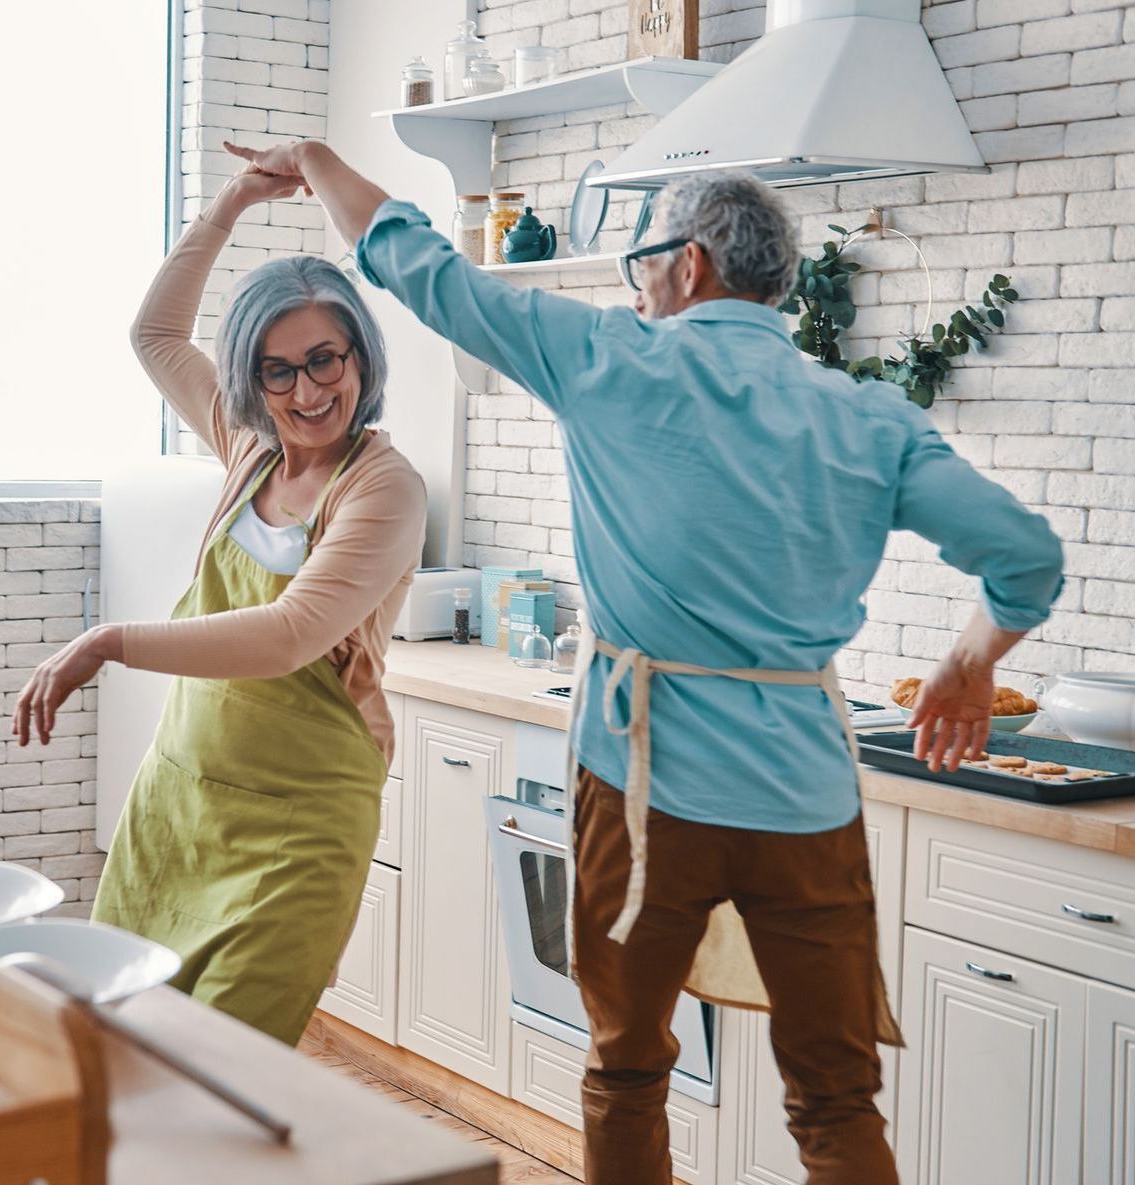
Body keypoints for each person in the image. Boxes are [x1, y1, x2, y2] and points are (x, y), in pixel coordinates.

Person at [222, 139, 1064, 1183]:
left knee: (626, 1071)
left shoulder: (607, 359)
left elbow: (419, 265)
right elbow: (1027, 561)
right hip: (804, 798)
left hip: (639, 792)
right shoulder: (864, 415)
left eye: (641, 260)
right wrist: (974, 659)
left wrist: (317, 161)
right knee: (836, 1097)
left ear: (691, 265)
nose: (636, 282)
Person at [11, 164, 427, 1047]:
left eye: (325, 360)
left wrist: (110, 641)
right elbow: (156, 334)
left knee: (224, 1065)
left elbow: (291, 633)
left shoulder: (382, 488)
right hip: (179, 804)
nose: (307, 393)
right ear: (251, 379)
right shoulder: (250, 447)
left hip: (298, 827)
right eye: (278, 371)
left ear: (359, 357)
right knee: (117, 1049)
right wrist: (229, 206)